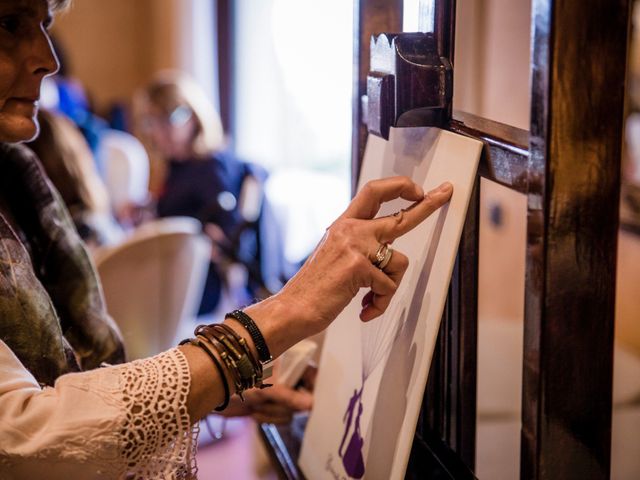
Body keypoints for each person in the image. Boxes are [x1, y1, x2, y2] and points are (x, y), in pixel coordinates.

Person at [0, 0, 454, 478]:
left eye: (45, 24)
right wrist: (279, 315)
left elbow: (71, 389)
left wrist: (218, 388)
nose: (48, 57)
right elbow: (23, 438)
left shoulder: (20, 181)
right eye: (9, 24)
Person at [136, 70, 271, 313]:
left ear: (195, 116)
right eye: (152, 121)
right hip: (177, 274)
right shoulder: (177, 165)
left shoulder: (209, 166)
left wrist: (205, 240)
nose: (161, 130)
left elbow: (228, 235)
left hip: (200, 285)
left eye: (171, 117)